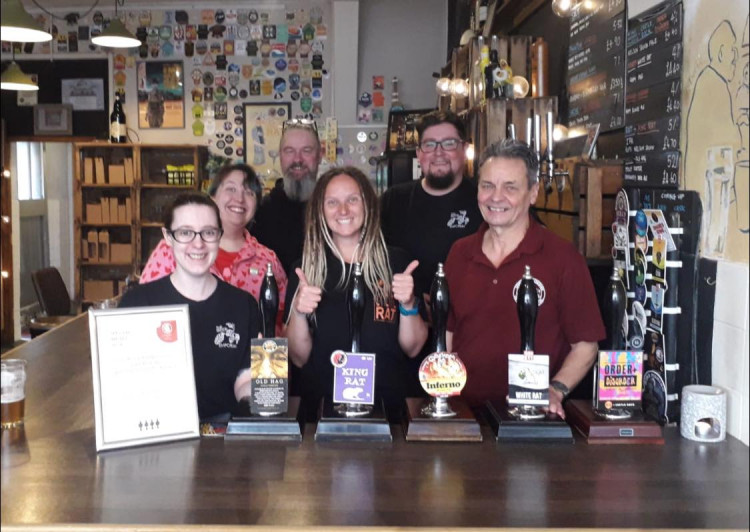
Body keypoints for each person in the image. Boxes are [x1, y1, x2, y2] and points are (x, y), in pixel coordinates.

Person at [444, 139, 605, 419]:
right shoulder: (459, 252)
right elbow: (449, 332)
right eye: (487, 186)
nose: (496, 197)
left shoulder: (562, 257)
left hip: (532, 418)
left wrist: (554, 390)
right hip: (464, 416)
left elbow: (586, 345)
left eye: (510, 187)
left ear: (533, 193)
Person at [284, 166, 428, 420]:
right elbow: (298, 357)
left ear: (369, 205)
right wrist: (298, 311)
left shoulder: (397, 264)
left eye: (352, 199)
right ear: (320, 210)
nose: (343, 210)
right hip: (321, 412)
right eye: (332, 202)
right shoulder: (305, 269)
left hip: (388, 412)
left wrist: (407, 303)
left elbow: (414, 348)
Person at [120, 193, 260, 421]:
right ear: (167, 236)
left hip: (224, 439)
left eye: (208, 232)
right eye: (185, 232)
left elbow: (244, 380)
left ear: (219, 236)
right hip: (155, 438)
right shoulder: (137, 303)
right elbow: (123, 381)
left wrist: (262, 390)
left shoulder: (243, 305)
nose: (198, 244)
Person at [380, 110, 482, 395]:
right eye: (430, 144)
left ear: (464, 149)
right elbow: (373, 261)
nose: (439, 153)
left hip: (468, 339)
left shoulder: (485, 200)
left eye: (449, 143)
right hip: (404, 336)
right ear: (419, 153)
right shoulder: (394, 201)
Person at [140, 163, 287, 332]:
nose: (239, 199)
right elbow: (145, 310)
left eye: (249, 192)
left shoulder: (268, 260)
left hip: (247, 356)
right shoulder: (172, 249)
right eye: (231, 189)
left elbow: (279, 324)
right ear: (213, 197)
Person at [252, 118, 322, 275]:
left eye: (306, 150)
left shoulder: (335, 209)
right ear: (280, 157)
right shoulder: (262, 212)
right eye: (289, 151)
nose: (297, 159)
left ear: (319, 156)